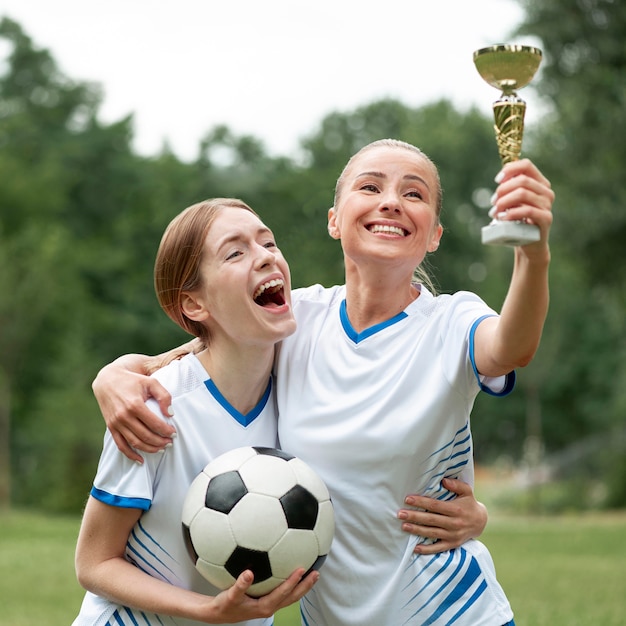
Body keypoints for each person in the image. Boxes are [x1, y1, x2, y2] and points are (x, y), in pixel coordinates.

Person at [94, 139, 555, 625]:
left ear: (434, 234)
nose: (392, 201)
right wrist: (116, 374)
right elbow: (208, 344)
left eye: (414, 194)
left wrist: (534, 256)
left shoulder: (452, 321)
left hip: (452, 612)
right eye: (371, 186)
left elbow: (512, 345)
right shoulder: (297, 320)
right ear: (334, 219)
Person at [72, 198, 320, 626]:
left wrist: (474, 516)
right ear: (194, 305)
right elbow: (94, 563)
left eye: (269, 242)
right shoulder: (154, 407)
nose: (266, 256)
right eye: (236, 252)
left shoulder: (301, 394)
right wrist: (208, 611)